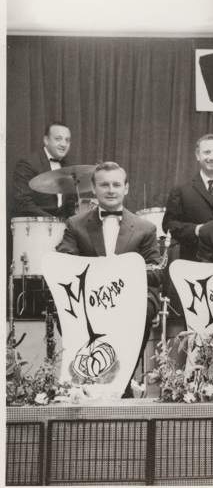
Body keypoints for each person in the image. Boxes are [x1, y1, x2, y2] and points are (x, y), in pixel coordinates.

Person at [55, 162, 162, 395]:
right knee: (67, 312)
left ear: (126, 188)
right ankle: (85, 384)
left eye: (116, 184)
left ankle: (122, 384)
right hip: (90, 299)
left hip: (132, 299)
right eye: (104, 185)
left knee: (141, 311)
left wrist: (124, 272)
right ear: (93, 188)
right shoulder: (76, 224)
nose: (111, 190)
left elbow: (155, 272)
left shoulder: (145, 228)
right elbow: (64, 260)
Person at [163, 134, 213, 262]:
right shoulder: (181, 190)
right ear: (197, 155)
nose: (212, 157)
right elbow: (168, 225)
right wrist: (196, 230)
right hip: (193, 261)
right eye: (206, 152)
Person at [13, 121, 77, 217]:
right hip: (35, 227)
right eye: (58, 139)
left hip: (61, 227)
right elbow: (23, 203)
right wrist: (54, 222)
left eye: (67, 140)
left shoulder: (69, 167)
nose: (64, 144)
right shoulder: (28, 163)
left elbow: (69, 206)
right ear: (46, 140)